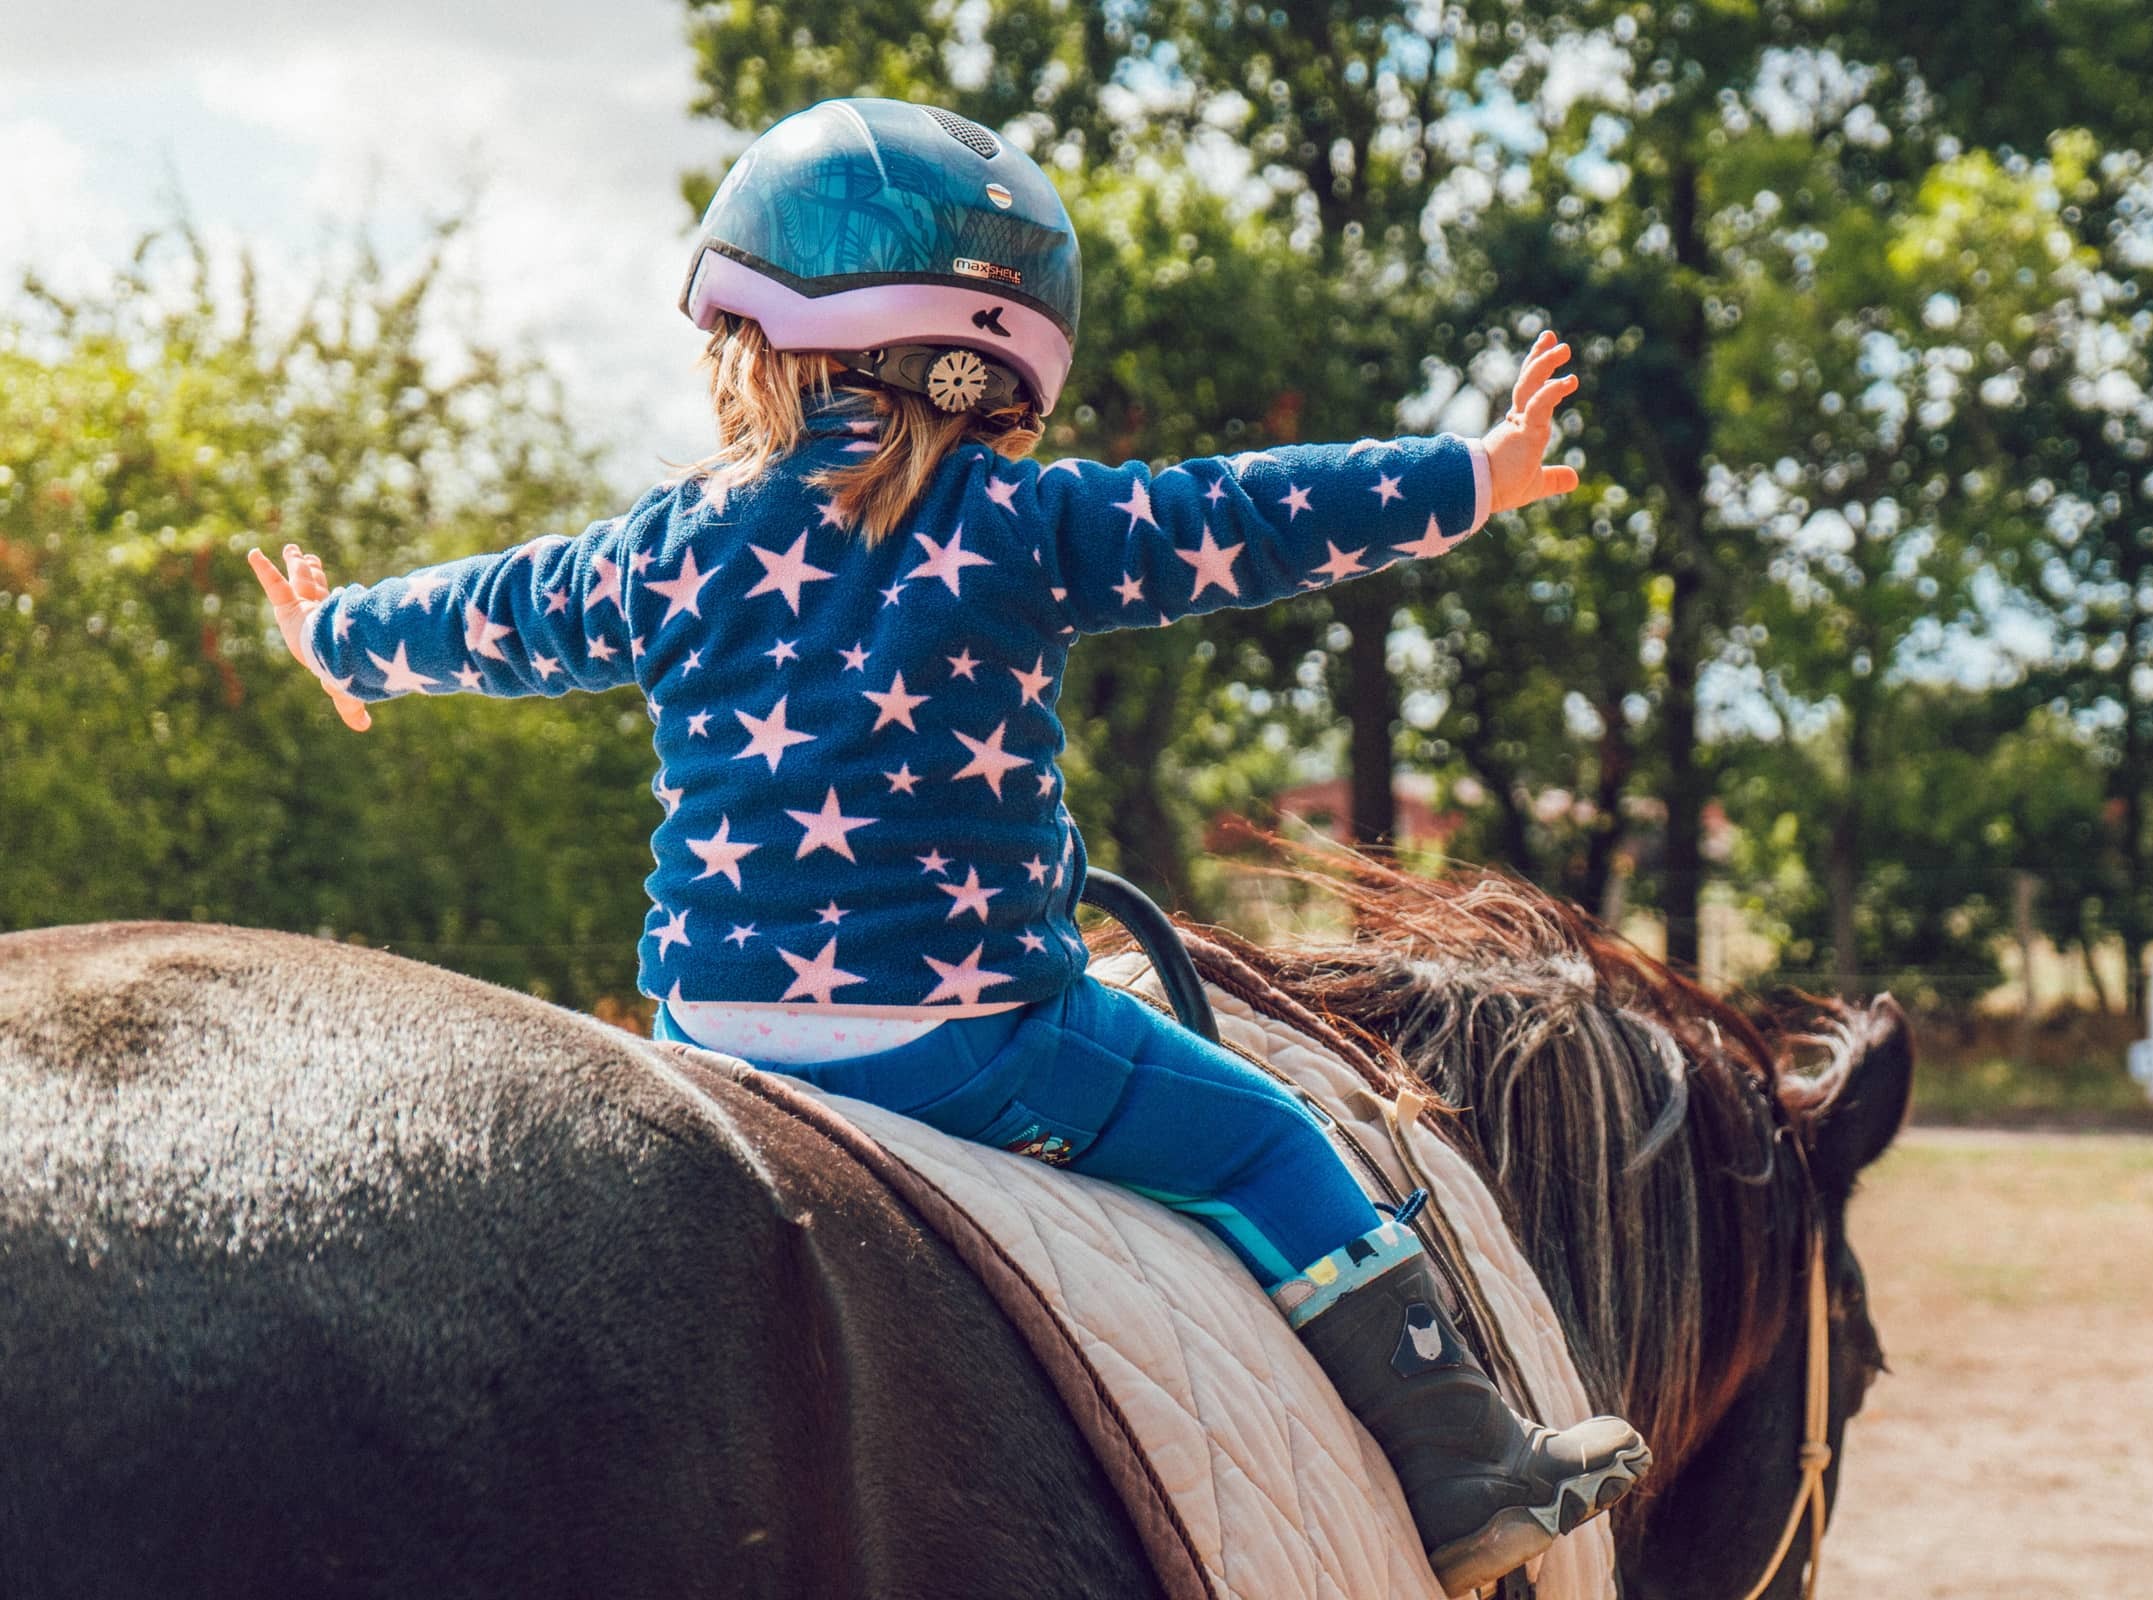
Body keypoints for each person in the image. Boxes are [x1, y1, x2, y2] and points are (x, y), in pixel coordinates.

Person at [248, 97, 1644, 1591]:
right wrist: (1474, 475)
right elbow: (1244, 514)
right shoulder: (1022, 522)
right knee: (1265, 1139)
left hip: (712, 1038)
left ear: (754, 338)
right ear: (1003, 367)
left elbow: (502, 609)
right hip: (969, 1042)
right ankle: (1465, 1467)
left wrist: (342, 637)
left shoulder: (667, 541)